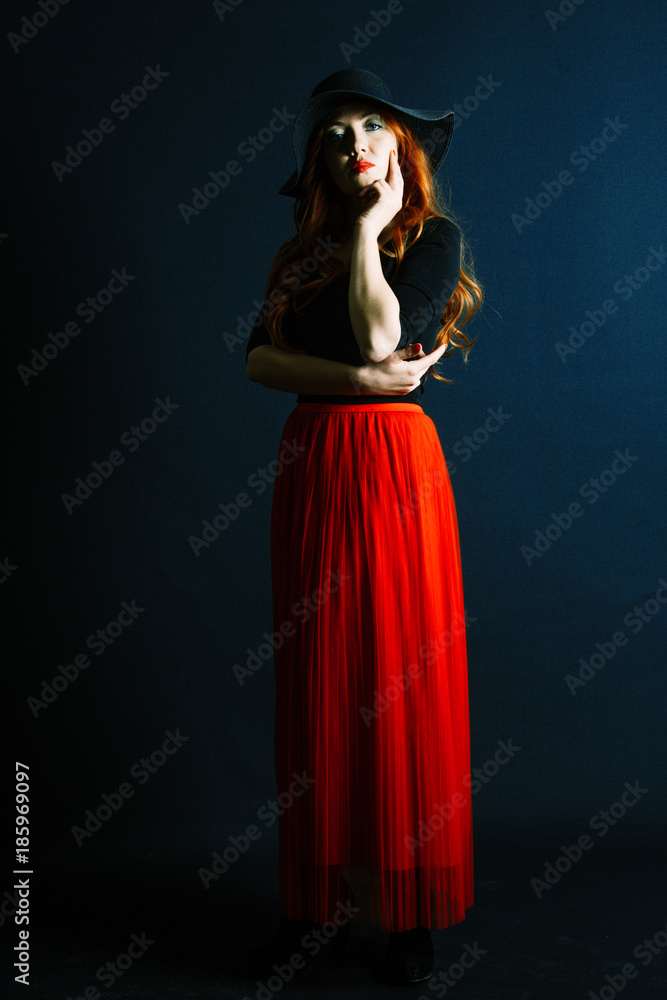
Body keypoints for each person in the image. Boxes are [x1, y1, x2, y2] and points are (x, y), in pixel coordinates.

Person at [243, 68, 482, 986]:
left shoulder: (430, 238)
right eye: (336, 136)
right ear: (321, 159)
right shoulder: (298, 255)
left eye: (371, 129)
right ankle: (317, 912)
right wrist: (351, 382)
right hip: (313, 460)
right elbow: (258, 361)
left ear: (400, 147)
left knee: (393, 670)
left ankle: (404, 916)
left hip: (391, 468)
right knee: (320, 676)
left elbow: (383, 338)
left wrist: (372, 229)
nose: (355, 147)